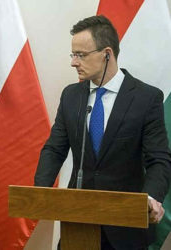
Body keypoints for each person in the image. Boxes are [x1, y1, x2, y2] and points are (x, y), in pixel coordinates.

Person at [34, 15, 171, 250]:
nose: (73, 62)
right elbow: (55, 149)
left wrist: (148, 199)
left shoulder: (147, 98)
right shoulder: (71, 96)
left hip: (126, 227)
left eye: (81, 55)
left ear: (107, 53)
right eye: (73, 55)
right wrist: (39, 193)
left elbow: (159, 159)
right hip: (78, 223)